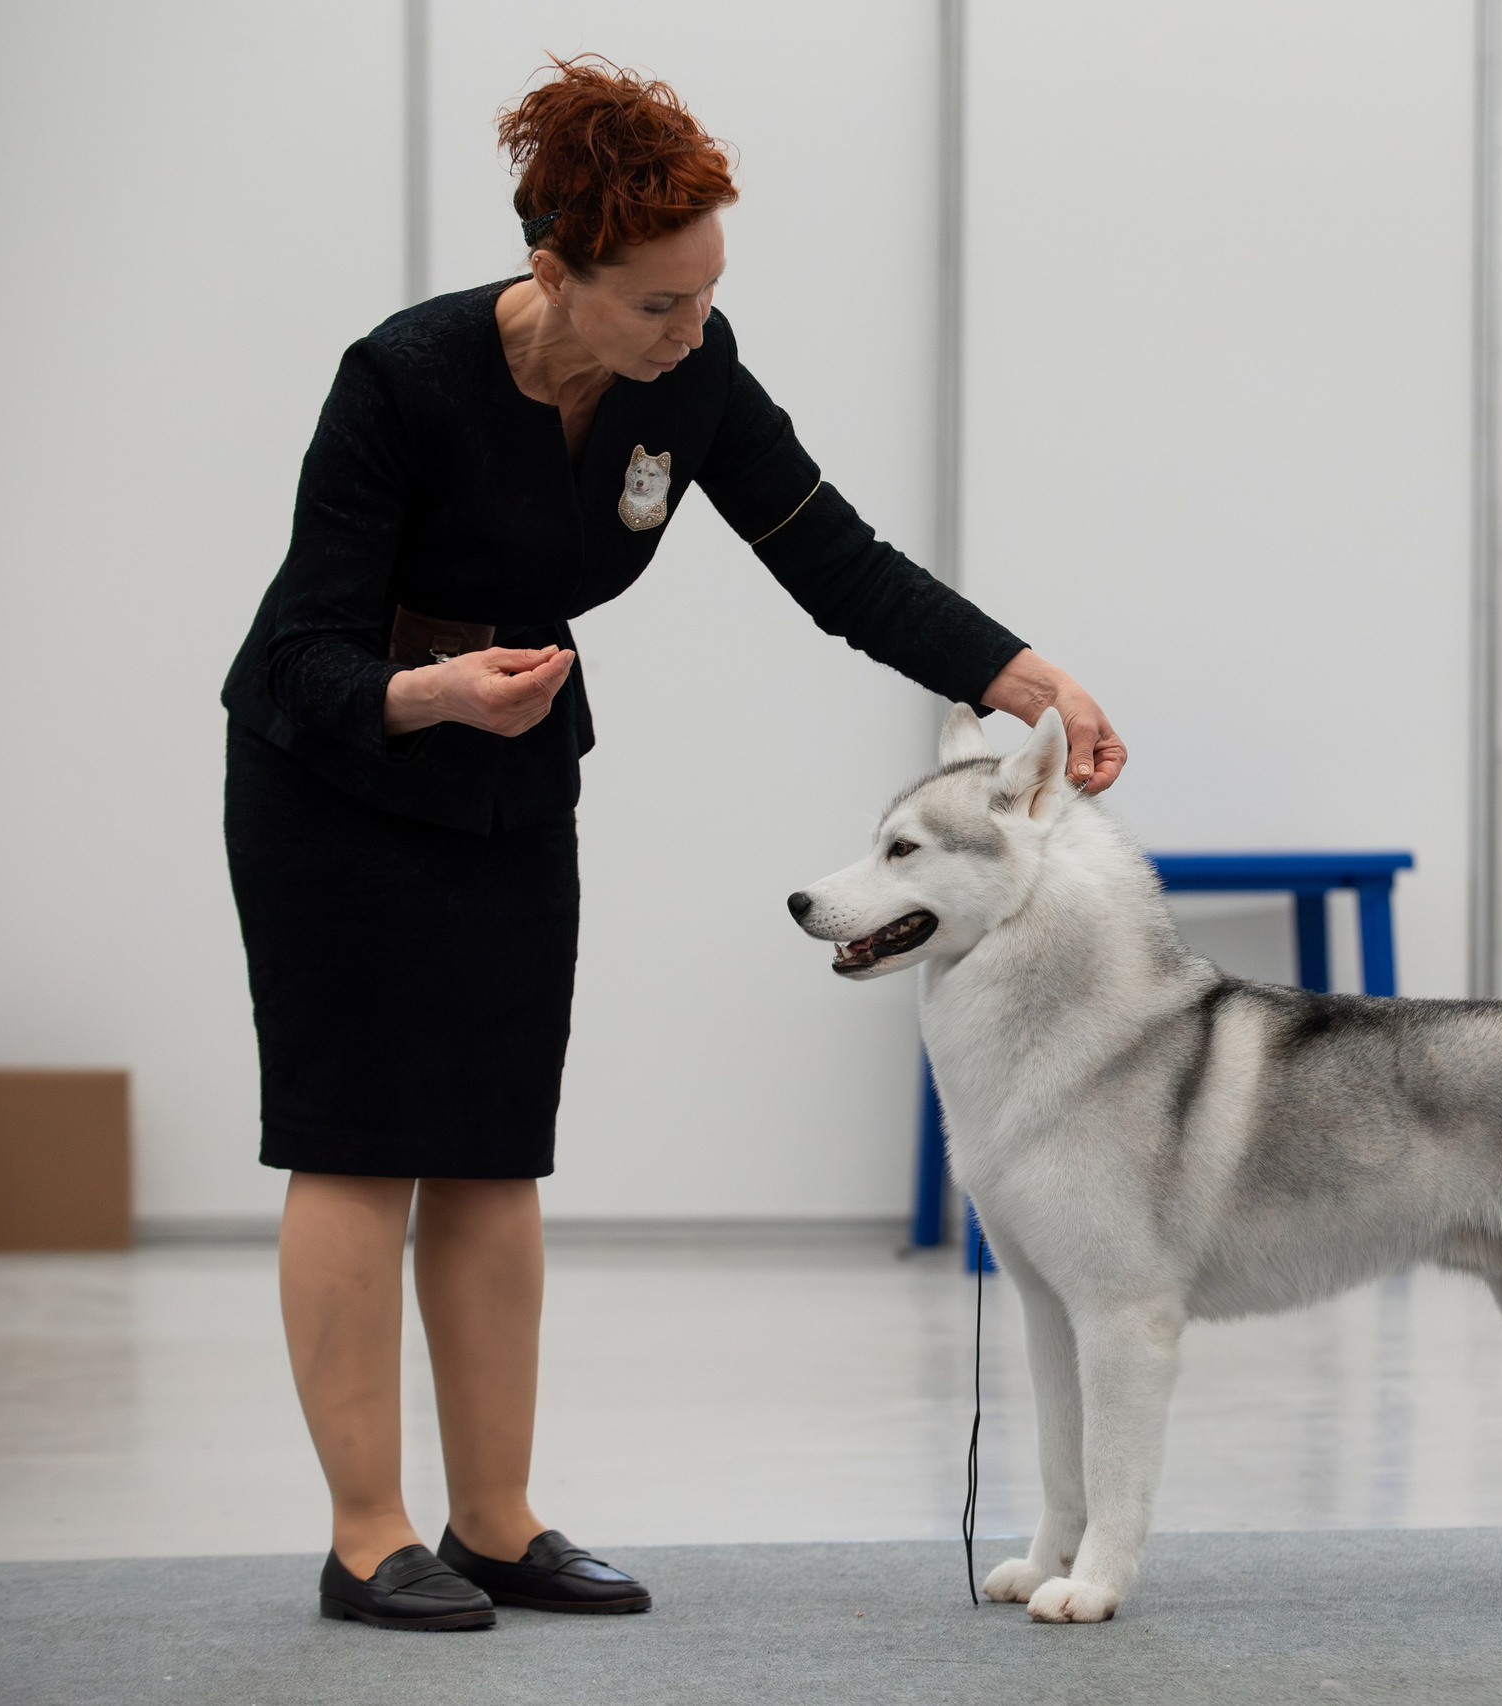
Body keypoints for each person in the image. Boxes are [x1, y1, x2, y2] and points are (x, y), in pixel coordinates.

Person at [220, 54, 1126, 1631]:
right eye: (656, 305)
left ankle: (495, 1520)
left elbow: (837, 558)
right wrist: (431, 690)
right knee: (360, 1139)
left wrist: (1011, 668)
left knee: (497, 1143)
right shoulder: (404, 378)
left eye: (708, 297)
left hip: (513, 771)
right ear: (552, 271)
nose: (690, 334)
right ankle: (370, 1535)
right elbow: (300, 652)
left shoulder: (688, 377)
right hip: (342, 776)